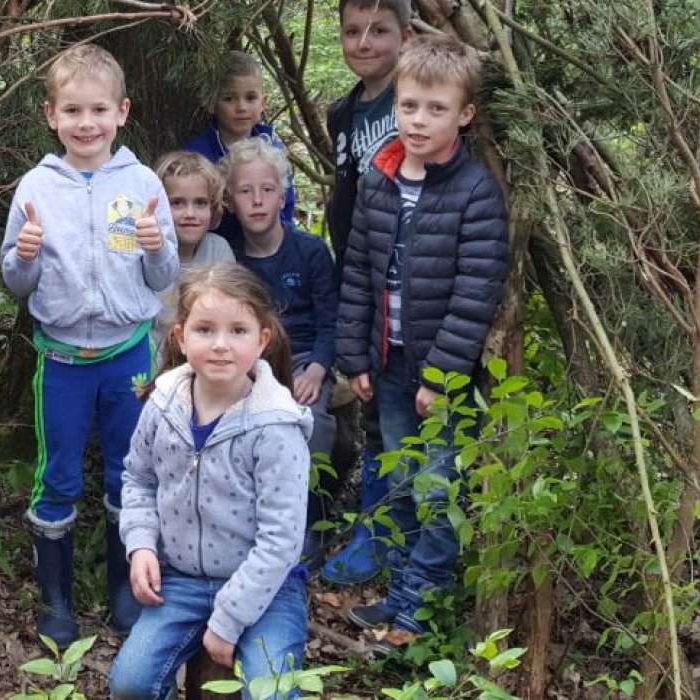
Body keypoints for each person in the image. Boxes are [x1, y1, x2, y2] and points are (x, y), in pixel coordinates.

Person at [0, 43, 179, 645]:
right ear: (51, 115)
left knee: (131, 472)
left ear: (121, 112)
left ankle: (127, 585)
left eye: (98, 109)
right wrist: (22, 256)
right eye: (72, 110)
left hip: (130, 357)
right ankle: (56, 597)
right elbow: (16, 284)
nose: (86, 123)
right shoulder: (36, 186)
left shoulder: (143, 181)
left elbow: (164, 277)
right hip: (63, 361)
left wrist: (156, 244)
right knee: (58, 476)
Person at [335, 34, 509, 654]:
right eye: (410, 106)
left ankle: (419, 610)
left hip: (440, 373)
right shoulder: (380, 179)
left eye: (436, 109)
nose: (419, 120)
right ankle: (406, 590)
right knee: (403, 483)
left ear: (464, 114)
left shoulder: (474, 192)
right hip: (387, 362)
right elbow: (357, 268)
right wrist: (353, 355)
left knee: (438, 487)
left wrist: (441, 376)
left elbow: (476, 292)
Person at [109, 264, 311, 700]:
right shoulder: (163, 404)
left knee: (271, 690)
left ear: (262, 340)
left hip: (268, 587)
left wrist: (227, 622)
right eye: (205, 329)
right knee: (129, 683)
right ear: (182, 338)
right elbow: (138, 477)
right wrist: (142, 543)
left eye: (238, 330)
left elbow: (281, 540)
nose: (221, 345)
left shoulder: (275, 426)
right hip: (181, 579)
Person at [319, 0, 417, 588]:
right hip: (365, 274)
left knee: (410, 414)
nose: (363, 42)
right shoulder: (347, 111)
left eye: (379, 30)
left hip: (413, 279)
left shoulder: (415, 96)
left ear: (406, 35)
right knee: (381, 407)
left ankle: (395, 534)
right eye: (352, 31)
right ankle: (376, 529)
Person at [220, 138, 338, 486]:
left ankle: (308, 519)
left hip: (303, 360)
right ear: (229, 200)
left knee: (311, 422)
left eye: (267, 189)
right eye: (245, 191)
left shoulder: (310, 251)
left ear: (282, 197)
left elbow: (331, 323)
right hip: (248, 364)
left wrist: (317, 370)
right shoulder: (229, 257)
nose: (257, 200)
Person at [180, 51, 299, 251]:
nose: (241, 107)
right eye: (229, 98)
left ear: (263, 102)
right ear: (212, 103)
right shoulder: (197, 154)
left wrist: (285, 247)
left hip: (269, 249)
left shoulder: (272, 149)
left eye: (250, 98)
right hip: (216, 252)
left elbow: (286, 202)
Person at [150, 150, 238, 355]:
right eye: (177, 203)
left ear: (213, 208)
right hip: (154, 361)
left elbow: (232, 313)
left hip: (207, 359)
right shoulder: (146, 253)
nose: (190, 214)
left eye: (200, 203)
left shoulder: (218, 249)